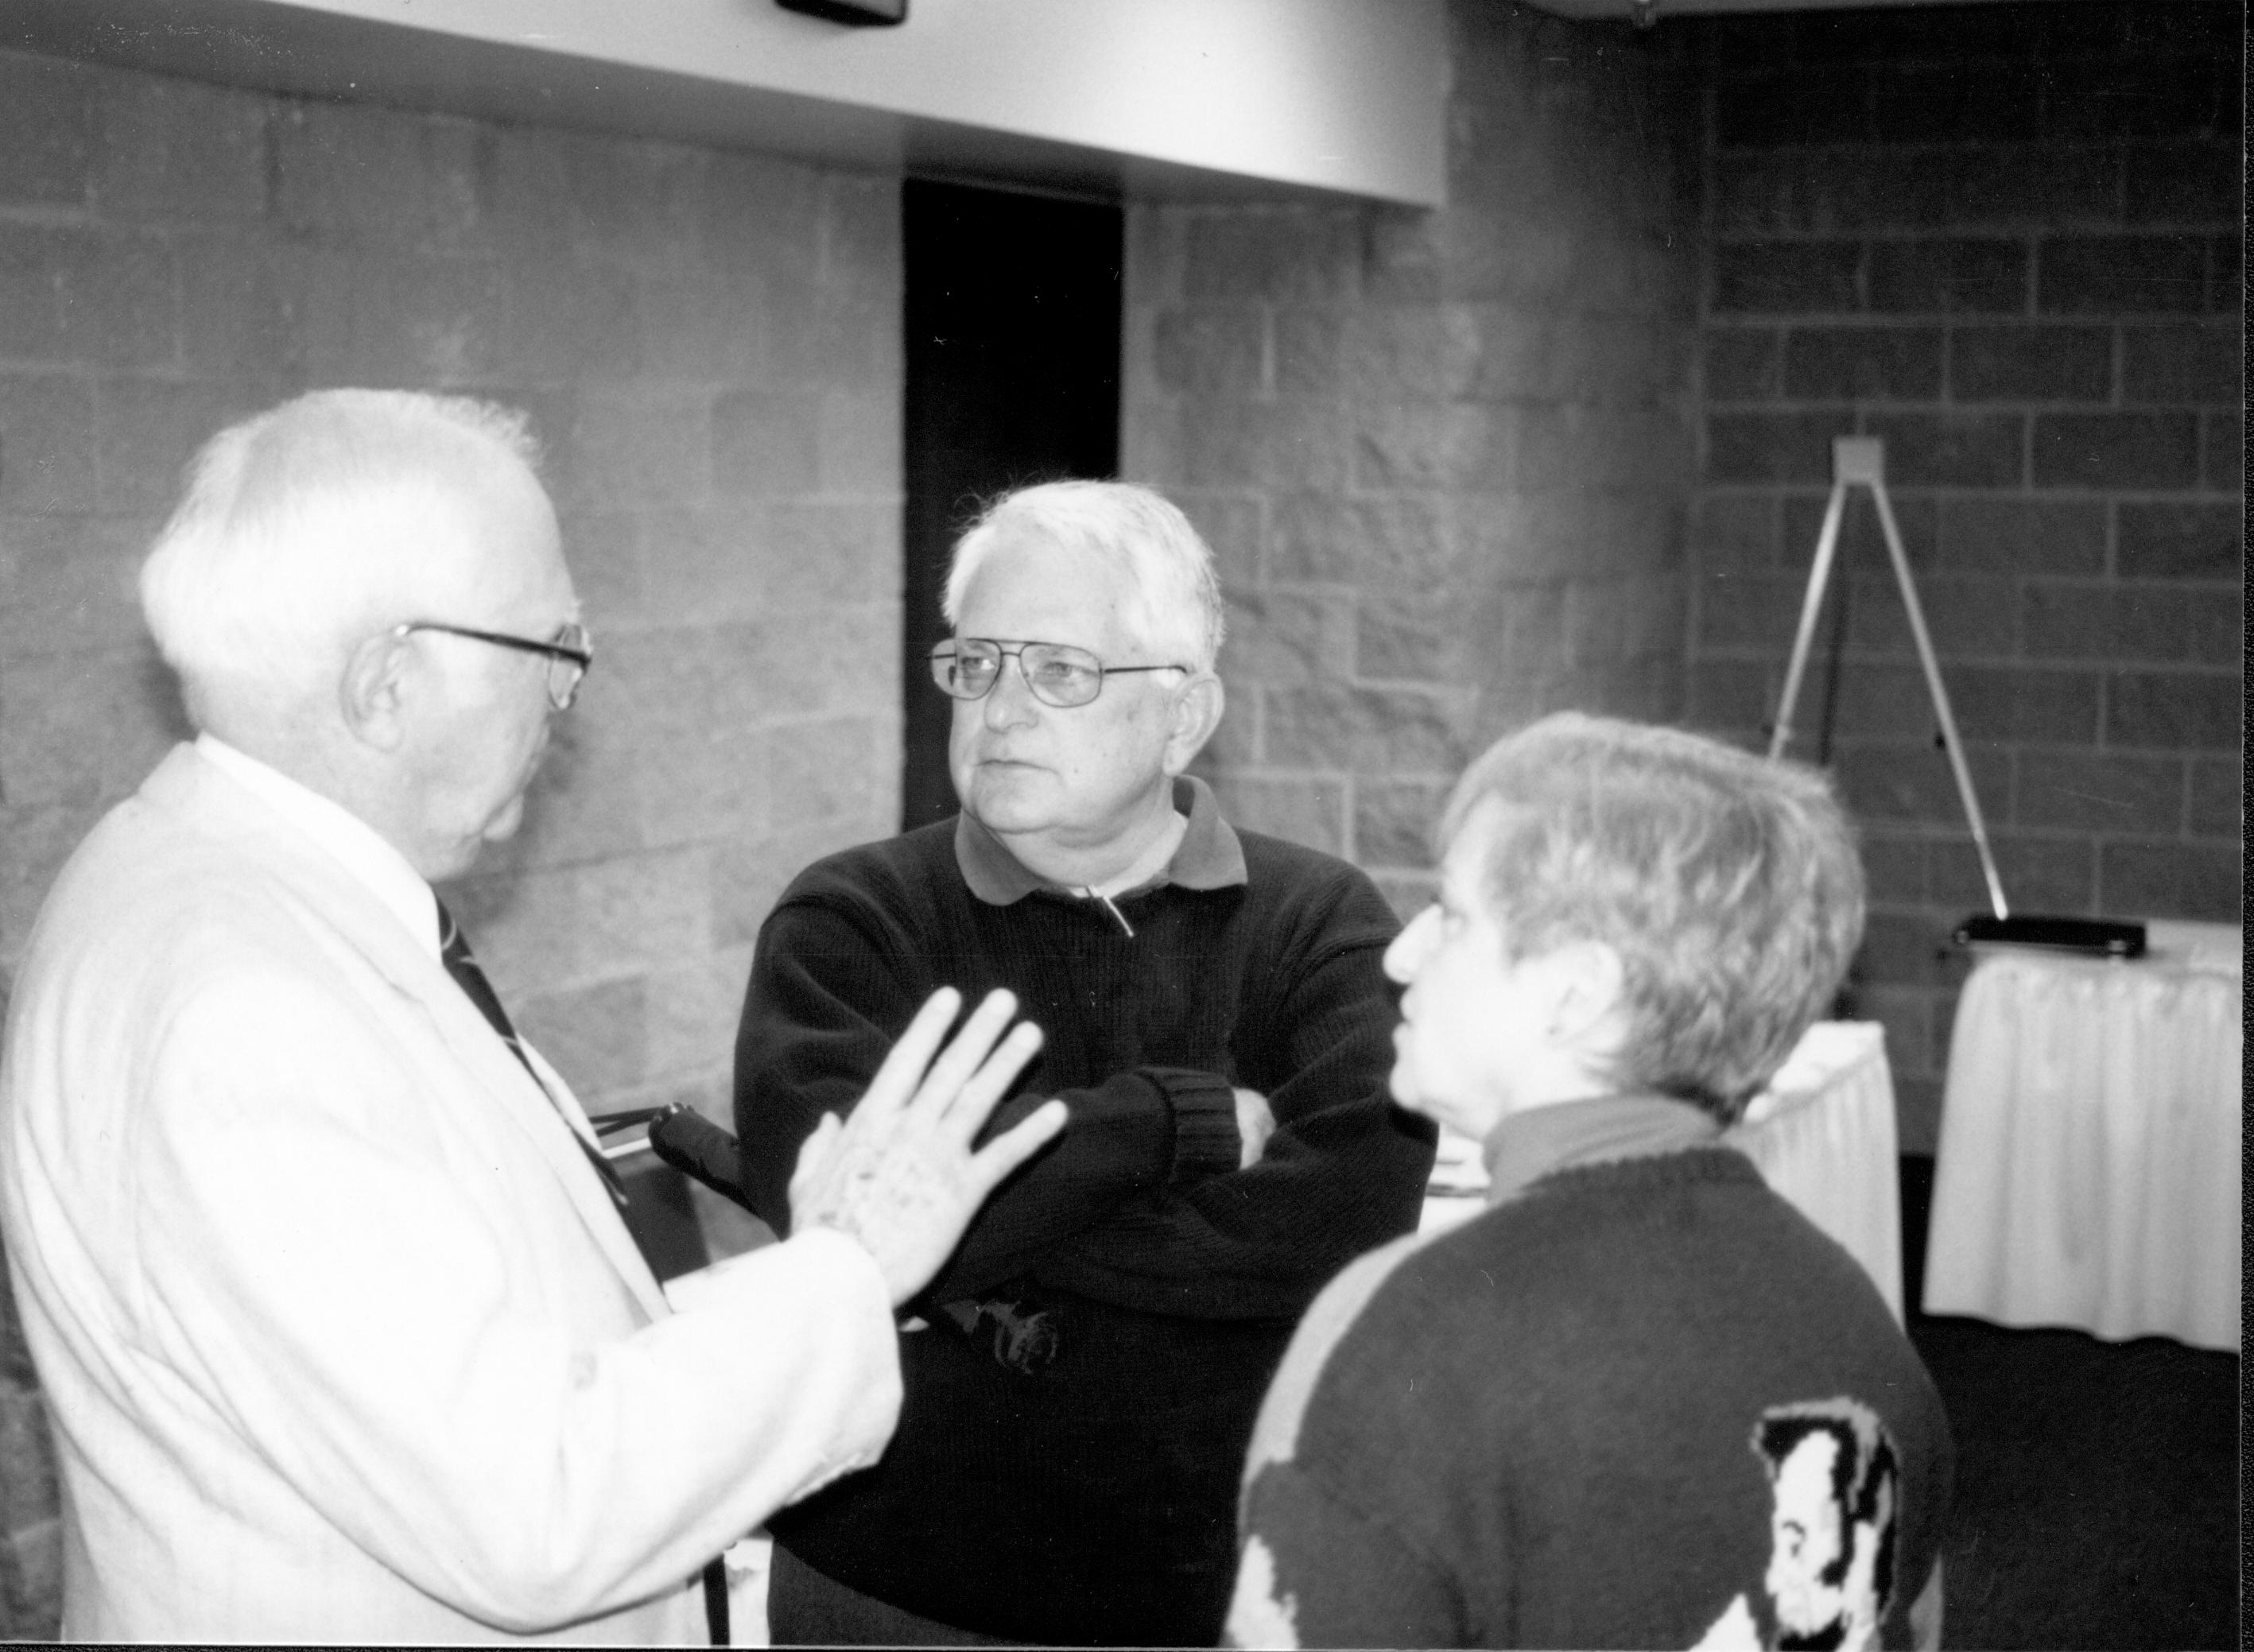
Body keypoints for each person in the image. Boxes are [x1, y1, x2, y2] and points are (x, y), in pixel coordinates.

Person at [0, 389, 1065, 1642]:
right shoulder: (246, 1008)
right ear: (386, 683)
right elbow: (536, 1504)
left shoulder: (212, 886)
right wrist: (848, 1271)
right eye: (551, 650)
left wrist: (807, 1268)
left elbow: (513, 1366)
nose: (566, 702)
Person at [731, 480, 1436, 1646]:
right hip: (892, 1592)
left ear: (1183, 713)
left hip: (1215, 1598)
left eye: (1057, 671)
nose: (998, 710)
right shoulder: (851, 920)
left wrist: (972, 1249)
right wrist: (1174, 1125)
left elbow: (1338, 1233)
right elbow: (828, 1224)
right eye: (974, 665)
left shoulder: (1320, 925)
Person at [1227, 713, 1953, 1651]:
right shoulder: (1853, 1314)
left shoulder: (1400, 1334)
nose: (1400, 957)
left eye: (1451, 914)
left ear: (1574, 991)